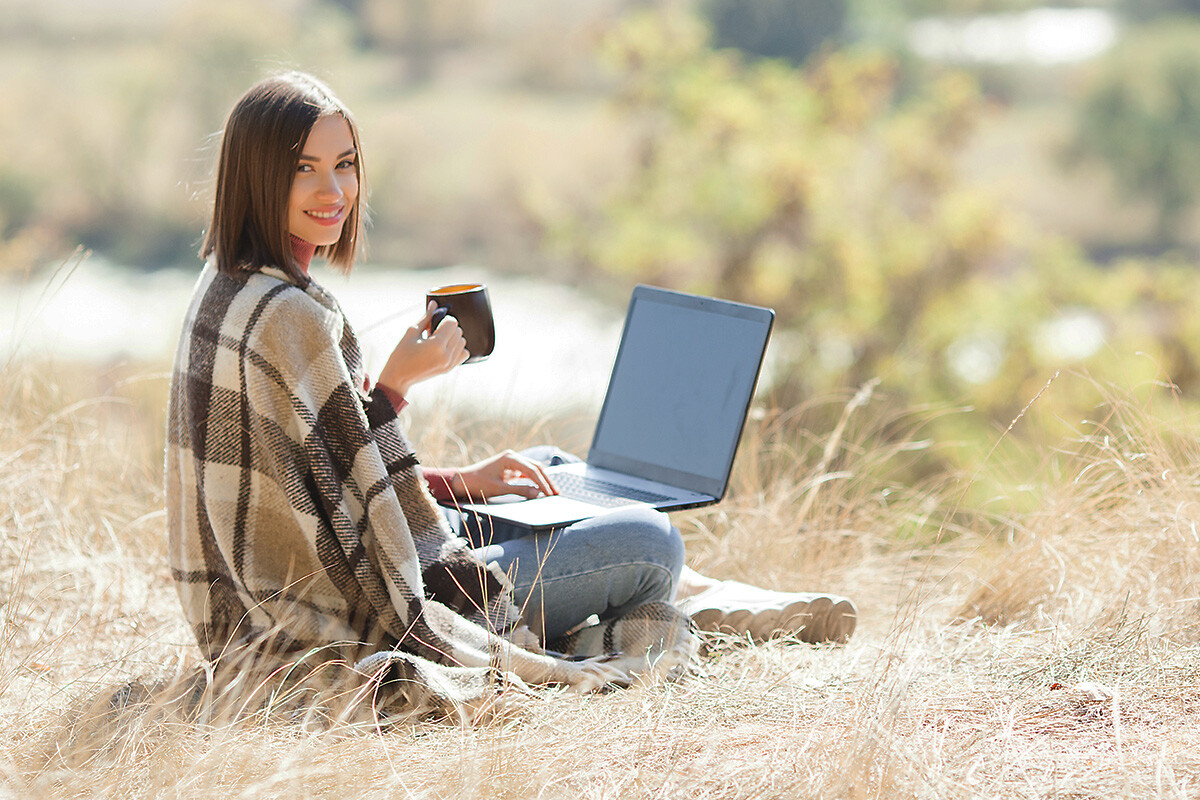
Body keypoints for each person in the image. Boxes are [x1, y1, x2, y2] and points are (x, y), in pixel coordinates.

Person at [165, 72, 853, 716]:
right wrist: (397, 387)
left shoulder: (228, 287)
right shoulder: (295, 317)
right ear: (257, 173)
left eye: (343, 163)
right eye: (302, 168)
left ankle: (705, 597)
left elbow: (316, 478)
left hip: (330, 579)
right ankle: (703, 603)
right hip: (363, 605)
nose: (333, 191)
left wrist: (464, 482)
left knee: (548, 468)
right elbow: (355, 513)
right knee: (651, 539)